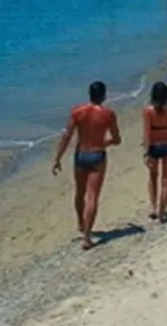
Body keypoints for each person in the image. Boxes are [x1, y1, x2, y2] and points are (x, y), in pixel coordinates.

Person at [51, 81, 120, 250]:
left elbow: (67, 136)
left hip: (80, 155)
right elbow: (117, 139)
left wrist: (57, 158)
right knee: (92, 197)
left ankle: (81, 224)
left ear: (89, 94)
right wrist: (104, 143)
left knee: (79, 193)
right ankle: (87, 237)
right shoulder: (108, 114)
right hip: (97, 155)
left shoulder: (77, 112)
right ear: (104, 95)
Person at [140, 80, 167, 222]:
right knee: (166, 181)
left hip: (153, 146)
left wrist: (146, 152)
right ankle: (162, 212)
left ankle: (153, 209)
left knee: (153, 178)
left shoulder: (148, 111)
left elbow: (146, 133)